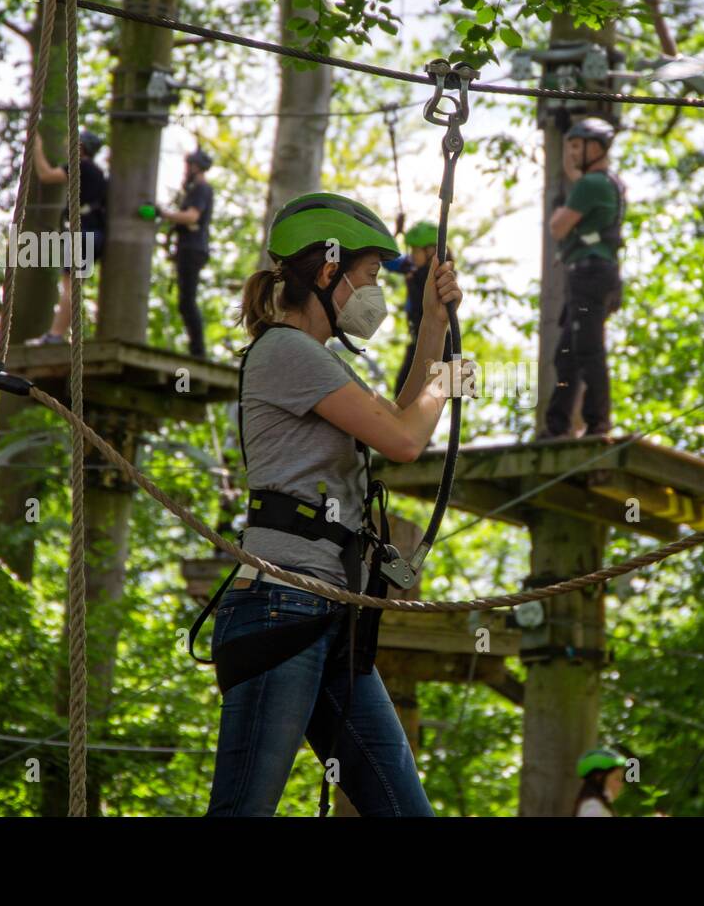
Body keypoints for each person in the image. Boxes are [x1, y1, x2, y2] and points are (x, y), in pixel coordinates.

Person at [201, 192, 470, 817]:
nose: (375, 293)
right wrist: (448, 380)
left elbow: (396, 418)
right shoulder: (288, 353)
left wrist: (432, 323)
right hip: (281, 603)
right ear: (328, 273)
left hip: (325, 607)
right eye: (371, 277)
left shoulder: (319, 362)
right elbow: (405, 438)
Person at [541, 116, 625, 440]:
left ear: (596, 147)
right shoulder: (606, 183)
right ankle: (557, 425)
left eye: (577, 146)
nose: (572, 153)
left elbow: (557, 227)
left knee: (587, 349)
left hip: (588, 273)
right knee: (568, 353)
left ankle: (597, 423)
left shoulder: (591, 185)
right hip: (597, 273)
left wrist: (560, 210)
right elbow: (573, 176)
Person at [28, 129, 107, 345]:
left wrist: (36, 148)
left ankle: (55, 335)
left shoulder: (80, 167)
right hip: (95, 234)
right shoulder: (99, 174)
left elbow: (45, 174)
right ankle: (59, 333)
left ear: (80, 147)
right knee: (74, 285)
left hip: (82, 234)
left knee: (69, 286)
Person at [158, 148, 214, 358]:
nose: (185, 170)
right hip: (189, 248)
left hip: (193, 249)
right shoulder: (195, 190)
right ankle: (196, 350)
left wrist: (161, 213)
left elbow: (191, 217)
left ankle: (198, 352)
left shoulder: (201, 188)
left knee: (187, 301)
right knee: (185, 301)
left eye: (188, 165)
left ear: (196, 167)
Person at [382, 219, 441, 396]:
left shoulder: (438, 274)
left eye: (416, 250)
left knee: (408, 390)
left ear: (431, 251)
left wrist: (412, 276)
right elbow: (387, 259)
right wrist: (396, 232)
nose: (413, 254)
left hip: (437, 342)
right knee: (403, 390)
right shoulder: (413, 267)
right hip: (418, 339)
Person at [573, 746, 629, 816]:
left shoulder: (597, 806)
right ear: (599, 777)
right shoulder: (593, 807)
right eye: (617, 778)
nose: (621, 785)